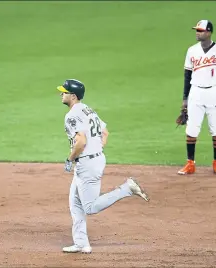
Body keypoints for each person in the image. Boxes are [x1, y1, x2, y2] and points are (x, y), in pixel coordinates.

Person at [57, 79, 149, 253]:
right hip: (93, 160)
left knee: (89, 207)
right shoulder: (88, 110)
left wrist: (70, 159)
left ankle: (126, 189)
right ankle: (81, 243)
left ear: (73, 96)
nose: (61, 94)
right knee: (75, 203)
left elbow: (80, 142)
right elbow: (105, 132)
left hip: (87, 163)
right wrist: (96, 150)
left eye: (64, 92)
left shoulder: (71, 115)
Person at [177, 20, 216, 175]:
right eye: (197, 30)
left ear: (209, 32)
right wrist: (185, 98)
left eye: (200, 31)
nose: (197, 33)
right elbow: (187, 76)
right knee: (192, 128)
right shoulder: (191, 51)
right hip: (196, 92)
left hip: (215, 93)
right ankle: (190, 163)